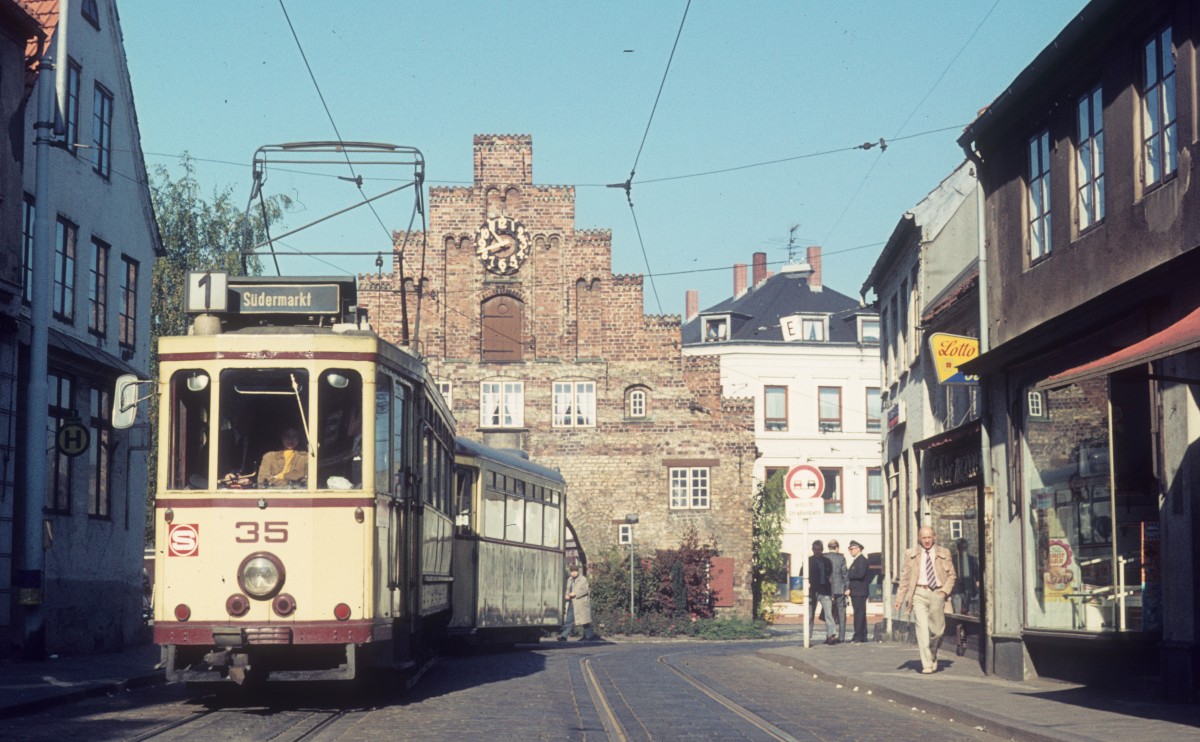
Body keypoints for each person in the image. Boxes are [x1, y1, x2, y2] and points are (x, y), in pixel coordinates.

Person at [895, 526, 957, 674]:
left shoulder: (944, 552)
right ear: (919, 538)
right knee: (922, 630)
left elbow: (952, 576)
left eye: (929, 537)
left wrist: (944, 592)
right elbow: (905, 578)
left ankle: (933, 654)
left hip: (937, 593)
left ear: (934, 537)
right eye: (924, 538)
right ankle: (927, 663)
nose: (927, 540)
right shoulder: (911, 554)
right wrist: (899, 598)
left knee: (938, 631)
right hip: (918, 593)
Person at [559, 564, 599, 641]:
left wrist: (575, 593)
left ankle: (589, 636)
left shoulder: (583, 579)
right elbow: (568, 589)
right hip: (571, 603)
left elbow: (585, 590)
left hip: (580, 603)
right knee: (569, 619)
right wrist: (566, 595)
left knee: (584, 621)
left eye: (575, 571)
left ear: (578, 571)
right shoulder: (569, 580)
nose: (574, 573)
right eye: (572, 571)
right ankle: (564, 636)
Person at [806, 540, 834, 644]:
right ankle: (807, 637)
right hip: (812, 591)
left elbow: (830, 575)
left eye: (819, 549)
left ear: (822, 550)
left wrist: (831, 592)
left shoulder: (827, 561)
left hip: (825, 590)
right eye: (815, 549)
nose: (817, 551)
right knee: (810, 615)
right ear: (812, 550)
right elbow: (802, 575)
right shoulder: (809, 561)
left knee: (828, 614)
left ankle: (830, 636)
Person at [826, 540, 849, 644]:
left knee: (828, 613)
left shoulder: (824, 557)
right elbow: (845, 574)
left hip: (827, 589)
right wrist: (847, 587)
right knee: (841, 613)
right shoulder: (841, 558)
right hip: (840, 589)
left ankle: (829, 636)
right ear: (837, 548)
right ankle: (842, 637)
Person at [847, 540, 870, 643]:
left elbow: (860, 574)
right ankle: (863, 635)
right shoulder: (857, 560)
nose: (850, 551)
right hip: (857, 591)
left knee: (859, 614)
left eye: (852, 549)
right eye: (849, 549)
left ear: (858, 549)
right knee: (860, 614)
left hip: (859, 591)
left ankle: (858, 636)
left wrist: (848, 573)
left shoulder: (861, 560)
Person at [951, 538, 979, 615]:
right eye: (961, 548)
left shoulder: (971, 559)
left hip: (969, 590)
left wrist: (977, 587)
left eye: (964, 547)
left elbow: (977, 574)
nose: (963, 550)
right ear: (958, 548)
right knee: (958, 614)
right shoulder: (953, 559)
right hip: (956, 590)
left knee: (968, 614)